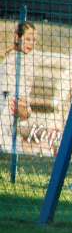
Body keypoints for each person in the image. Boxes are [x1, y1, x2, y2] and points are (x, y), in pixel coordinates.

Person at [0, 21, 37, 154]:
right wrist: (23, 108)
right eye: (27, 39)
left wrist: (25, 108)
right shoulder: (11, 61)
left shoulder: (27, 62)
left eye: (34, 40)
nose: (31, 43)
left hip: (10, 127)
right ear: (17, 37)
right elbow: (11, 103)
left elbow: (23, 109)